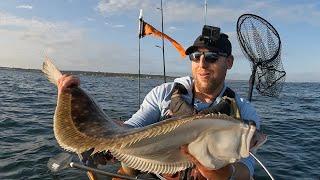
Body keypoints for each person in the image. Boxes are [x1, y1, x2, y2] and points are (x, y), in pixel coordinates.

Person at [58, 25, 261, 180]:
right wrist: (71, 95)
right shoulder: (163, 93)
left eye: (212, 57)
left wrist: (221, 173)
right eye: (195, 56)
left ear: (229, 62)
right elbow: (132, 127)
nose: (202, 64)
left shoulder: (244, 111)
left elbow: (246, 169)